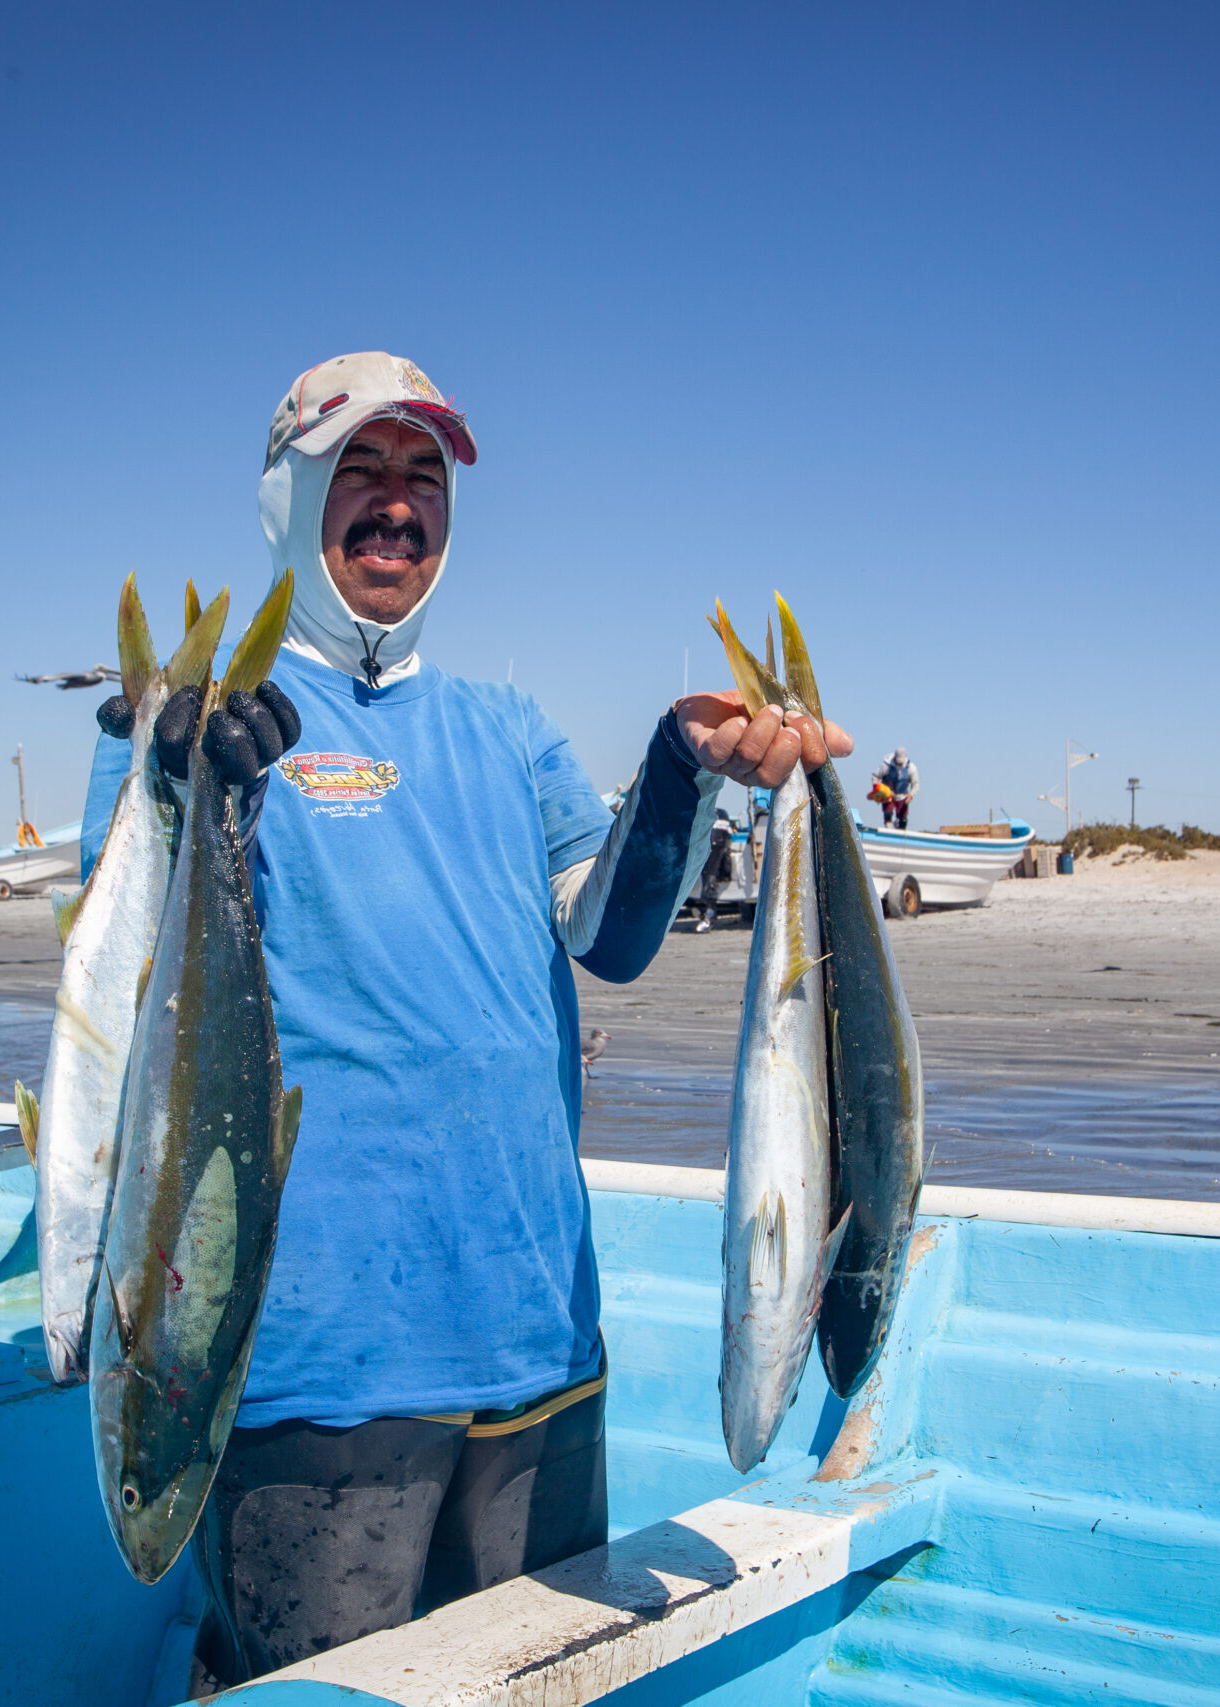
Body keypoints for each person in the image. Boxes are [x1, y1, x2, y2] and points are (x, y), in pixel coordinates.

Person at [78, 352, 853, 1686]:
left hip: (538, 1334)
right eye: (357, 473)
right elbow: (117, 987)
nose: (395, 506)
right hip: (318, 1359)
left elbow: (606, 933)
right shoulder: (197, 727)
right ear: (288, 497)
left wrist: (682, 767)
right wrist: (181, 776)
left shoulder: (509, 727)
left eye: (422, 479)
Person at [873, 746, 918, 829]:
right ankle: (889, 828)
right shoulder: (886, 766)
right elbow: (875, 777)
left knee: (903, 820)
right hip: (888, 795)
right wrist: (877, 790)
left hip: (902, 796)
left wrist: (911, 795)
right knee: (888, 814)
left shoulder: (911, 768)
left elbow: (915, 784)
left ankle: (900, 834)